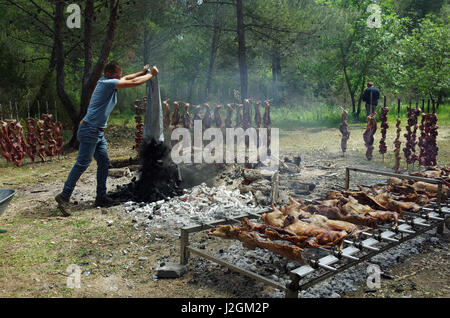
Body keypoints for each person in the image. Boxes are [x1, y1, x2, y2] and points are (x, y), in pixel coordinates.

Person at [55, 62, 159, 216]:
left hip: (97, 131)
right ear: (109, 74)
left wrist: (142, 72)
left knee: (104, 163)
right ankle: (64, 196)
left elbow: (127, 77)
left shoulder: (109, 82)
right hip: (89, 129)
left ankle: (101, 197)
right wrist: (151, 75)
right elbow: (132, 82)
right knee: (82, 163)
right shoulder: (107, 83)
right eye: (117, 75)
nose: (119, 78)